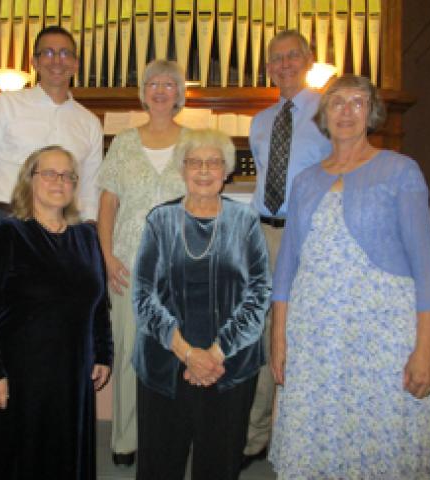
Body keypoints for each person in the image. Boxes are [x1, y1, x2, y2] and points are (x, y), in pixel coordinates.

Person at [269, 75, 430, 478]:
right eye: (337, 103)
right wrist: (279, 340)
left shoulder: (400, 170)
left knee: (378, 438)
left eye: (357, 102)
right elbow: (286, 268)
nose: (346, 111)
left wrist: (427, 349)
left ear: (372, 112)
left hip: (381, 338)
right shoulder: (305, 181)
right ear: (324, 115)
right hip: (315, 338)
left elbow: (426, 266)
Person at [0, 145, 113, 480]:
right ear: (29, 180)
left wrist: (103, 353)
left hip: (71, 378)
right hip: (17, 377)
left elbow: (99, 302)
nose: (58, 181)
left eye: (67, 175)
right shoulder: (8, 234)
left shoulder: (86, 237)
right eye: (49, 173)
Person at [132, 128, 271, 480]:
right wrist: (189, 354)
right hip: (166, 361)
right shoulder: (159, 220)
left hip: (229, 367)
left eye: (214, 162)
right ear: (182, 169)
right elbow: (143, 295)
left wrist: (215, 354)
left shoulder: (246, 221)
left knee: (218, 464)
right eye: (195, 162)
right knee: (160, 465)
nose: (205, 170)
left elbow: (258, 295)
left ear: (227, 172)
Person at [243, 29, 331, 468]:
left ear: (308, 60)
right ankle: (256, 435)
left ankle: (298, 432)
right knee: (260, 334)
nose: (283, 64)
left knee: (303, 333)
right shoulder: (260, 121)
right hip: (265, 234)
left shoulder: (331, 111)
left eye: (292, 56)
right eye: (275, 58)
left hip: (310, 234)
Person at [97, 59, 187, 466]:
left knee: (173, 353)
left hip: (179, 270)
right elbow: (108, 204)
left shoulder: (195, 141)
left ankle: (167, 437)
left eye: (169, 83)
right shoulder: (124, 142)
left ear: (179, 93)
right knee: (131, 353)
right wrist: (106, 255)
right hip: (128, 266)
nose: (161, 89)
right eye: (154, 83)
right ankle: (125, 440)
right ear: (144, 91)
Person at [0, 25, 103, 272]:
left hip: (64, 229)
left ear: (76, 64)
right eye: (47, 53)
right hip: (8, 220)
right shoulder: (5, 105)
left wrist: (88, 239)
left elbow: (90, 189)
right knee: (1, 307)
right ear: (34, 62)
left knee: (54, 307)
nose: (56, 60)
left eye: (65, 53)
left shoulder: (89, 122)